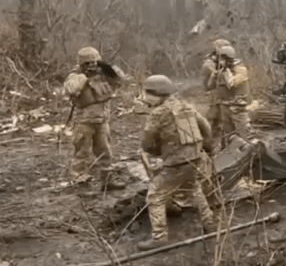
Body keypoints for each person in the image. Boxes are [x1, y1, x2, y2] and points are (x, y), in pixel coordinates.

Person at [138, 75, 218, 250]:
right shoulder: (185, 105)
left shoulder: (158, 113)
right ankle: (209, 224)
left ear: (155, 94)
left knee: (155, 196)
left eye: (147, 94)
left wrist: (155, 152)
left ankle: (159, 238)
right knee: (194, 189)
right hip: (194, 158)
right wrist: (206, 148)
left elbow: (147, 141)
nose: (146, 98)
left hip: (176, 161)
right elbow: (205, 126)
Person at [63, 46, 129, 189]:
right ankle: (81, 183)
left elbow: (121, 79)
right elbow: (71, 89)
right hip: (83, 122)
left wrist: (107, 68)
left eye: (94, 62)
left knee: (105, 152)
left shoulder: (104, 73)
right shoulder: (75, 76)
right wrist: (83, 77)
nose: (92, 65)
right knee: (82, 153)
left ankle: (107, 181)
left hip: (102, 121)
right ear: (82, 64)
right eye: (88, 63)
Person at [205, 45, 250, 150]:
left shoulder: (239, 69)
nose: (219, 61)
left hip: (237, 107)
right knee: (227, 133)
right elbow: (210, 86)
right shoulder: (221, 70)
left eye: (222, 59)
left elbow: (233, 83)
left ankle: (249, 152)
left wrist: (227, 74)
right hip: (224, 105)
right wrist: (215, 75)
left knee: (243, 132)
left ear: (228, 58)